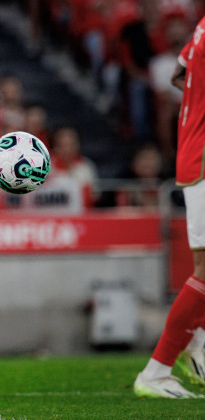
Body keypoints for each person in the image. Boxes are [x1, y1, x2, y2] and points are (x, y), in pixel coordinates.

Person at [133, 15, 205, 399]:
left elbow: (178, 75)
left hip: (195, 152)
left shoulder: (201, 29)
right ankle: (157, 370)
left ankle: (196, 344)